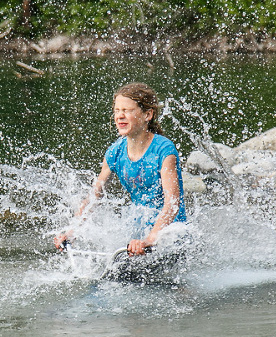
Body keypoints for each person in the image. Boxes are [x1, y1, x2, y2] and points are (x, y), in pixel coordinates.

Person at [54, 82, 187, 256]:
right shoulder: (115, 152)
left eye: (127, 111)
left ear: (147, 114)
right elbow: (95, 195)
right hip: (139, 236)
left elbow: (172, 204)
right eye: (117, 111)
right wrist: (72, 232)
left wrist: (151, 239)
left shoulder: (164, 150)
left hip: (170, 237)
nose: (120, 116)